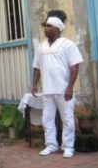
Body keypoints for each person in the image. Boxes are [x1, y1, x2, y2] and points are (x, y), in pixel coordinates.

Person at [31, 10, 83, 158]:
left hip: (63, 91)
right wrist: (35, 84)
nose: (45, 28)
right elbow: (37, 67)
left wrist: (70, 87)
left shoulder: (68, 45)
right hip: (47, 91)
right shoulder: (40, 47)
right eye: (45, 26)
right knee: (47, 120)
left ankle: (68, 147)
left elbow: (74, 67)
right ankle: (51, 145)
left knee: (67, 119)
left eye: (48, 26)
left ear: (57, 28)